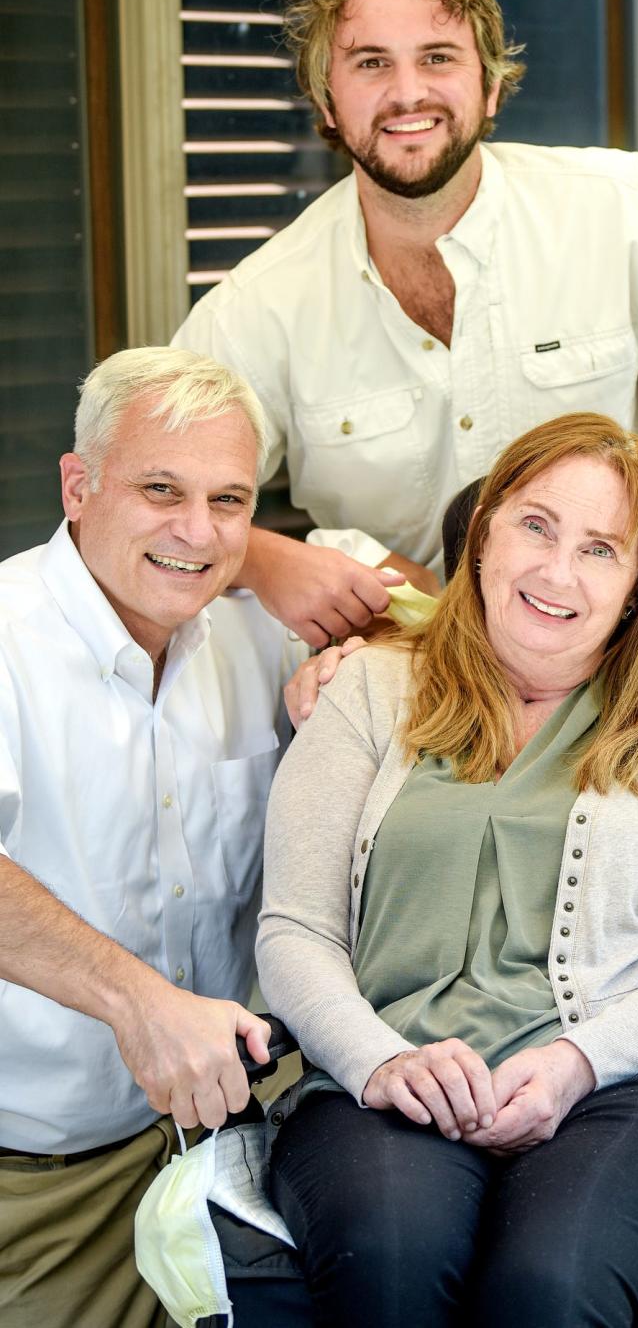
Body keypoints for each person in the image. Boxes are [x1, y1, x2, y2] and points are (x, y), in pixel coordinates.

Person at [256, 412, 638, 1326]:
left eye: (600, 549)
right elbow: (297, 928)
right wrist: (381, 1062)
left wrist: (579, 1061)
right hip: (395, 1076)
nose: (556, 573)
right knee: (389, 1256)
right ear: (484, 535)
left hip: (634, 1084)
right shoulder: (372, 689)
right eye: (536, 526)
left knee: (548, 1283)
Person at [173, 0, 638, 649]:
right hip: (406, 685)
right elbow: (153, 488)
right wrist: (262, 557)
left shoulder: (618, 211)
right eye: (370, 62)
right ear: (326, 99)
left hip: (632, 666)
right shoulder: (260, 304)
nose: (407, 92)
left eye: (438, 57)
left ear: (488, 85)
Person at [0, 348, 309, 1328]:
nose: (198, 531)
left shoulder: (262, 641)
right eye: (161, 490)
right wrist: (139, 1002)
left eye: (229, 499)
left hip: (238, 1149)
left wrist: (360, 670)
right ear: (79, 485)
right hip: (43, 1184)